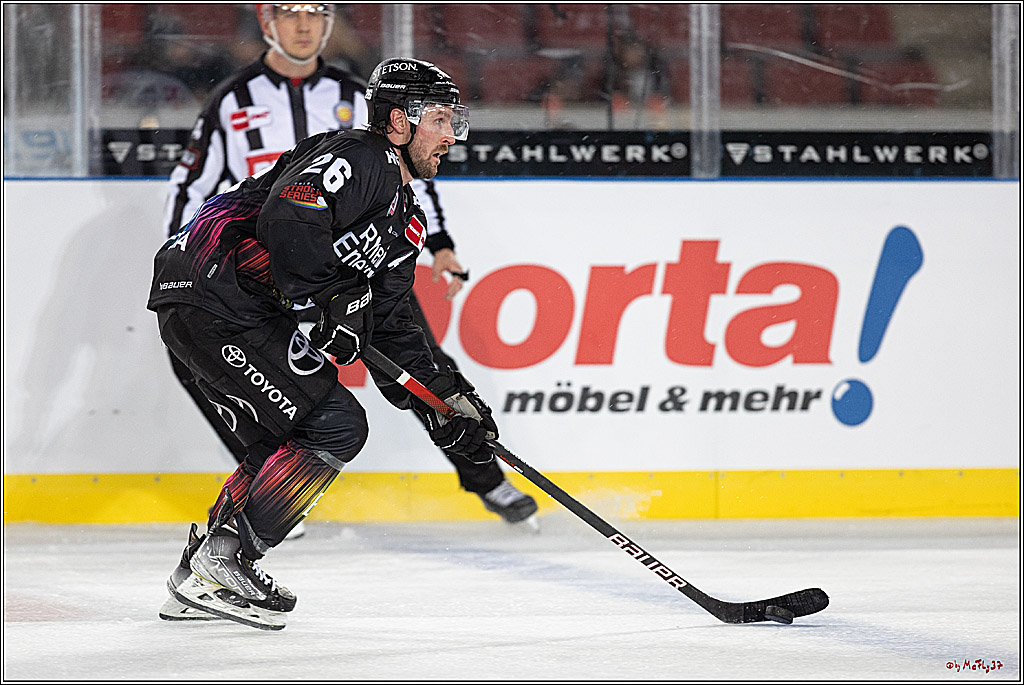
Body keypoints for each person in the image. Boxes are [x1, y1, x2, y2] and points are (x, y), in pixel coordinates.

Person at [149, 57, 512, 630]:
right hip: (215, 289)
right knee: (336, 425)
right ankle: (225, 560)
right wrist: (322, 299)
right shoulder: (361, 155)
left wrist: (446, 401)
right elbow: (291, 212)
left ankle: (198, 577)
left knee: (290, 439)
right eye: (441, 120)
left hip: (227, 306)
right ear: (400, 121)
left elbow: (390, 327)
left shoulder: (405, 221)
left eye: (453, 122)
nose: (451, 136)